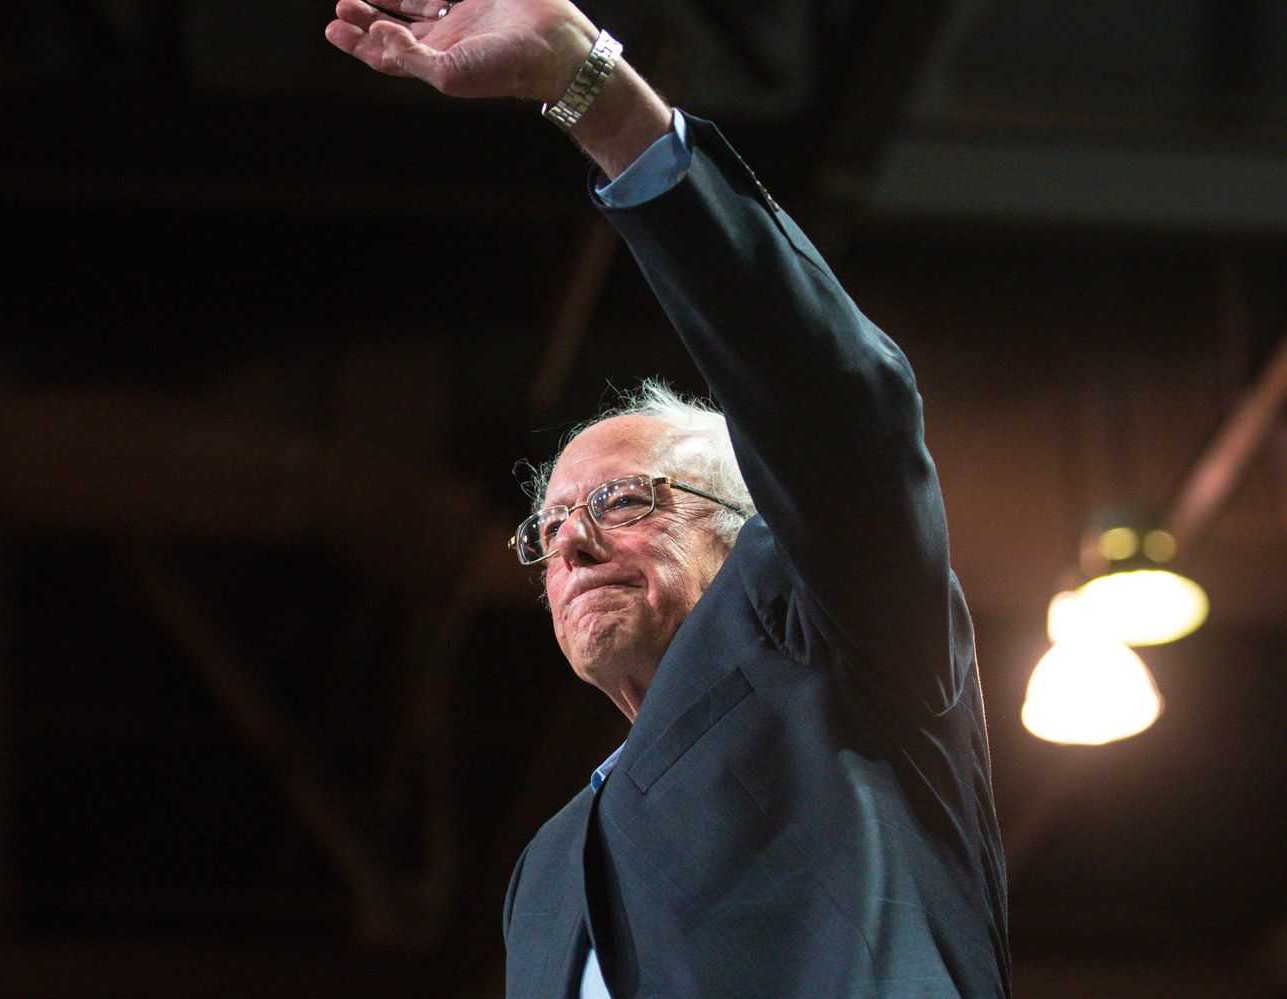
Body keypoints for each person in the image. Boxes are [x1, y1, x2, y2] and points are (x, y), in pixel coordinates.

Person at [326, 1, 1010, 996]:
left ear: (745, 531)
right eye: (549, 526)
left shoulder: (835, 643)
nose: (569, 545)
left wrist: (590, 92)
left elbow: (833, 405)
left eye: (622, 499)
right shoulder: (544, 878)